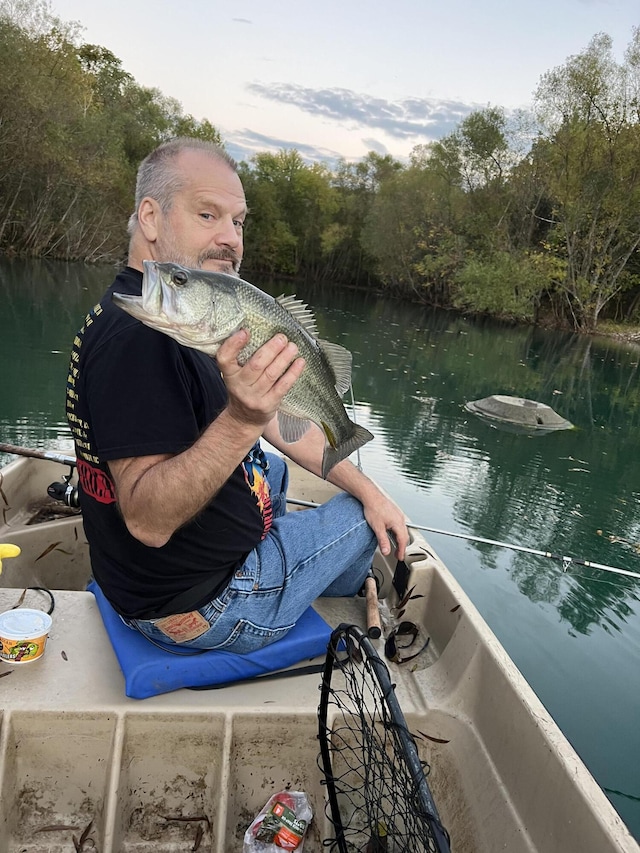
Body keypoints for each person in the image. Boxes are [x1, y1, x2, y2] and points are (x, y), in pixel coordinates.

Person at [66, 137, 408, 653]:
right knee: (362, 523)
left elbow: (277, 422)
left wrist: (366, 483)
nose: (230, 238)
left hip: (147, 583)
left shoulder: (177, 316)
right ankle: (333, 583)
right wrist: (245, 419)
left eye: (238, 221)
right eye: (208, 215)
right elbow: (147, 521)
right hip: (207, 608)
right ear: (151, 218)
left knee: (278, 472)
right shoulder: (142, 340)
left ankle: (311, 554)